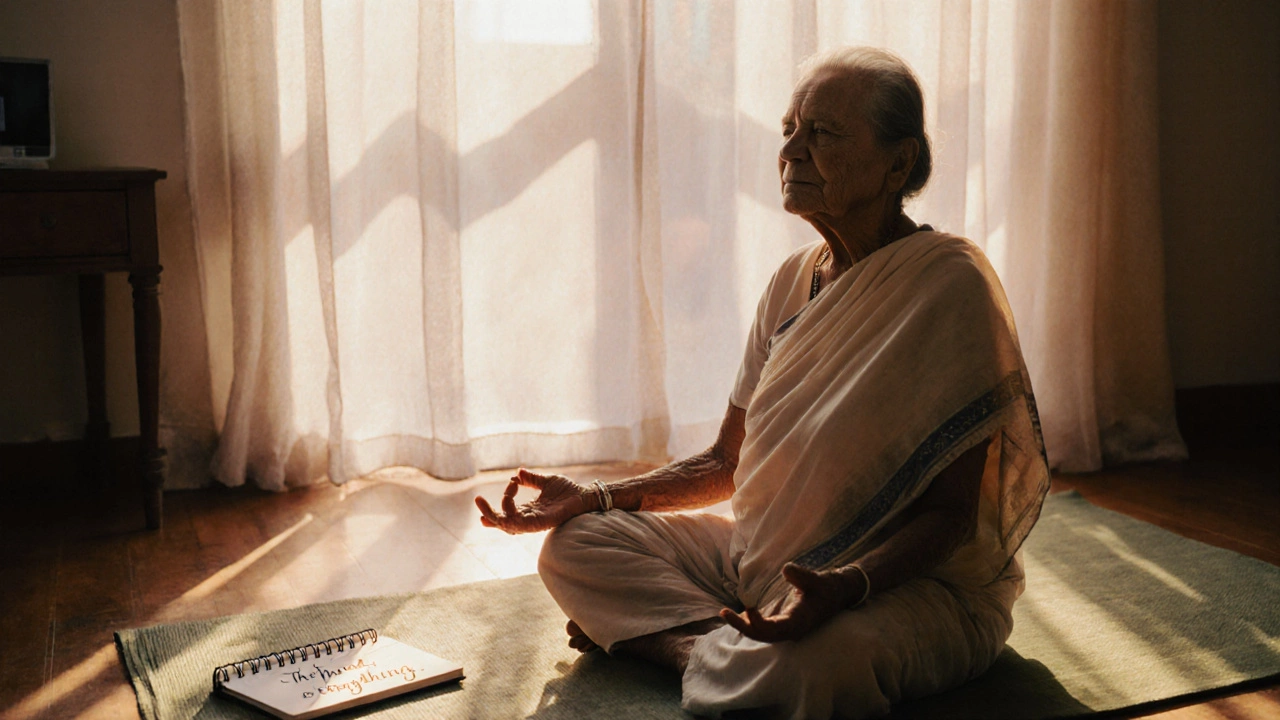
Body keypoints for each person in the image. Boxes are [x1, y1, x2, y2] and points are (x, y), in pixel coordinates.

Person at [476, 46, 1049, 719]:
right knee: (576, 545)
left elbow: (951, 517)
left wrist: (843, 587)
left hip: (906, 588)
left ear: (898, 163)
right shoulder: (793, 279)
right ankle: (701, 654)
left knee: (817, 667)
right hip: (765, 566)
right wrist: (597, 495)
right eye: (789, 130)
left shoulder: (951, 284)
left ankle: (667, 644)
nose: (792, 151)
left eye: (823, 134)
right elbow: (727, 462)